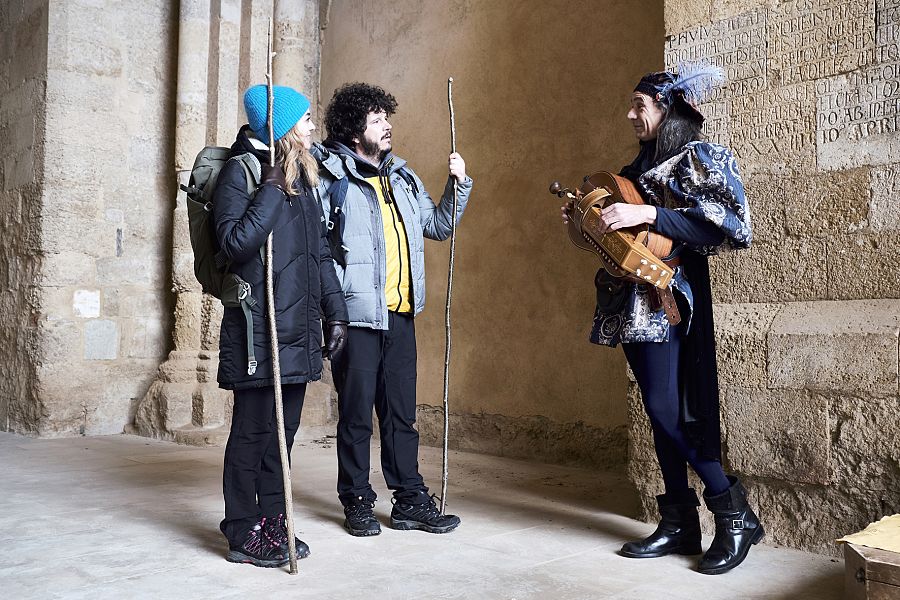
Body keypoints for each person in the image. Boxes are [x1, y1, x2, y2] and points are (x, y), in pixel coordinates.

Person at [561, 65, 761, 575]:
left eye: (640, 105)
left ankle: (735, 515)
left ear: (666, 108)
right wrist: (586, 225)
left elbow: (732, 226)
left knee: (672, 413)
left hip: (672, 299)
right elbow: (620, 247)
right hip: (633, 303)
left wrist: (648, 215)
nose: (631, 114)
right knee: (657, 413)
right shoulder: (637, 167)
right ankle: (679, 522)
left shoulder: (699, 156)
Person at [311, 82, 472, 537]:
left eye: (388, 118)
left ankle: (410, 501)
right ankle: (358, 500)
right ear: (353, 127)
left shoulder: (403, 176)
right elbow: (319, 248)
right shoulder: (332, 177)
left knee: (401, 413)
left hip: (400, 313)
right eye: (377, 118)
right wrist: (330, 310)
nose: (388, 126)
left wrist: (457, 185)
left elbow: (437, 226)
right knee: (357, 414)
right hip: (357, 317)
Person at [214, 84, 349, 567]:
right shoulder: (243, 173)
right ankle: (241, 530)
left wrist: (336, 311)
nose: (314, 127)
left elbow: (321, 256)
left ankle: (274, 520)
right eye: (307, 118)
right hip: (259, 329)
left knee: (282, 433)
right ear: (283, 127)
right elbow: (234, 244)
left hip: (298, 331)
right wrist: (269, 191)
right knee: (251, 434)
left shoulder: (306, 179)